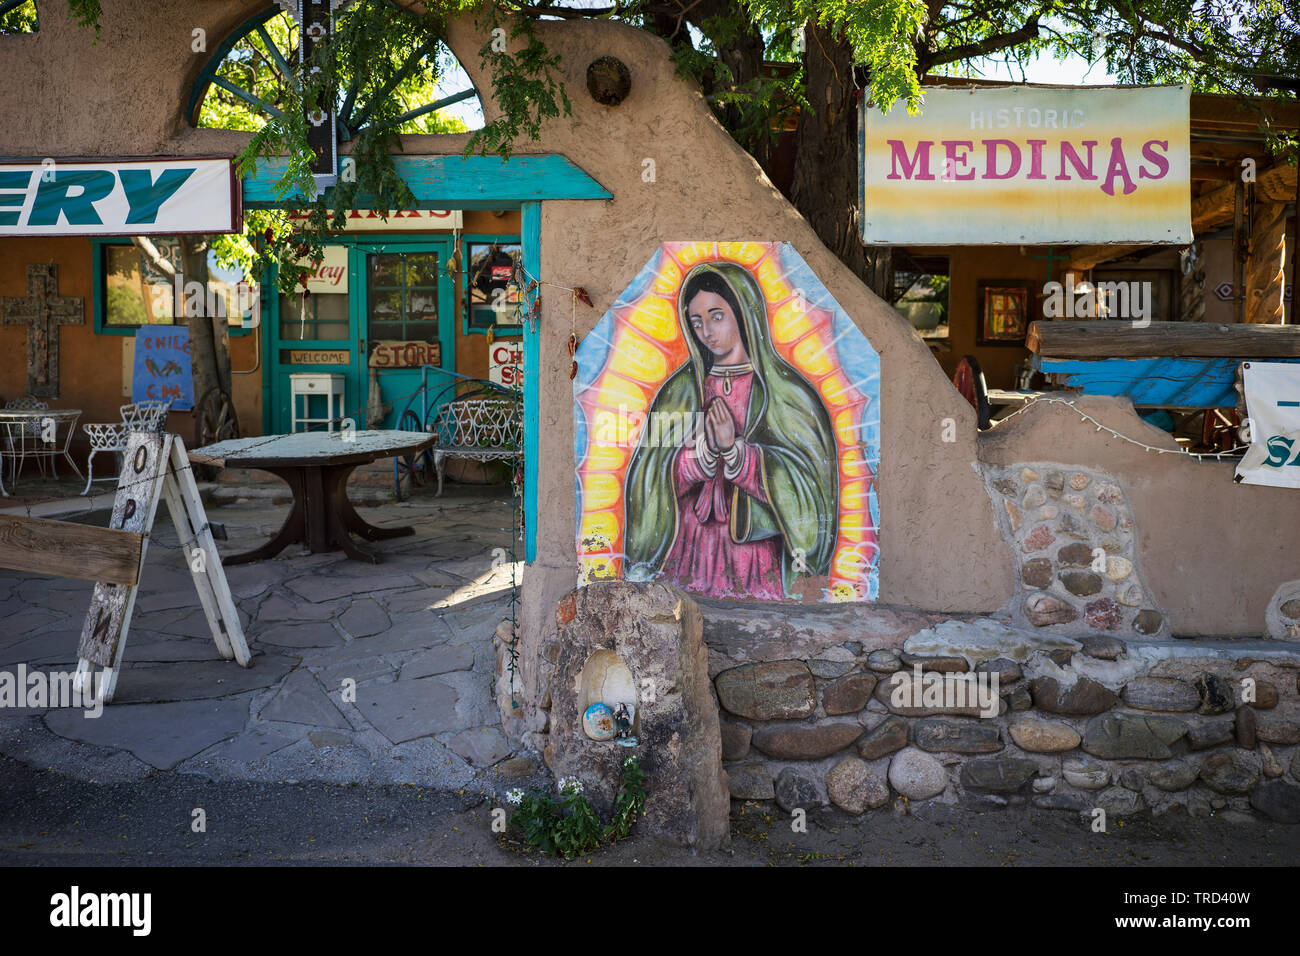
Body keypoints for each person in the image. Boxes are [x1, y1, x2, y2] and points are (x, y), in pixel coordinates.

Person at [624, 261, 837, 600]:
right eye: (697, 322)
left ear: (744, 313)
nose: (707, 330)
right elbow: (646, 479)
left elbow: (811, 485)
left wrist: (739, 454)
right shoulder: (681, 391)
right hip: (688, 547)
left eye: (716, 316)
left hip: (752, 551)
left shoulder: (785, 393)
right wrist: (697, 460)